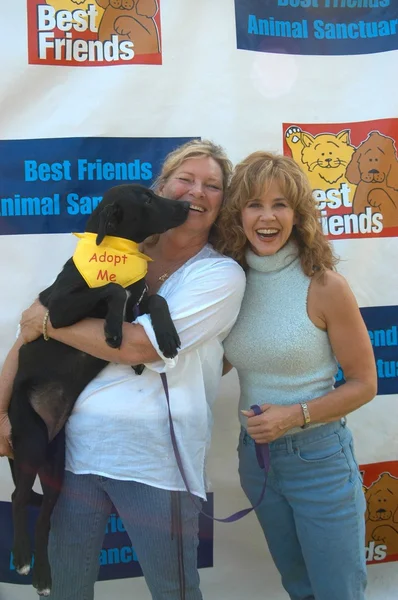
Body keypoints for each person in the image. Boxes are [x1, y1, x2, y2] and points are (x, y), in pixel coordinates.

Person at [0, 139, 246, 600]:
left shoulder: (220, 275)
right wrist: (0, 412)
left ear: (221, 204)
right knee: (66, 590)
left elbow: (136, 347)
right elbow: (27, 331)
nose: (198, 191)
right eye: (186, 180)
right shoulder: (109, 254)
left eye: (212, 185)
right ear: (162, 189)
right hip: (76, 453)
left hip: (159, 465)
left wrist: (52, 319)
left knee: (174, 591)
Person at [218, 151, 377, 600]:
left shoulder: (324, 285)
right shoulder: (230, 281)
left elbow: (366, 384)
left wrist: (295, 415)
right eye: (254, 204)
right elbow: (218, 359)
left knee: (336, 592)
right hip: (258, 460)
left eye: (280, 204)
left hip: (319, 461)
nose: (267, 217)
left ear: (298, 214)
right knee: (300, 588)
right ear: (238, 214)